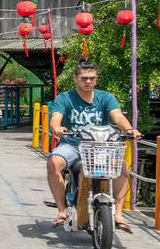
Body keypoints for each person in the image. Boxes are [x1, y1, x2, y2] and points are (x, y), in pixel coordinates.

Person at [47, 59, 141, 230]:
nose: (88, 81)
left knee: (122, 167)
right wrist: (57, 128)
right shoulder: (64, 98)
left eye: (92, 78)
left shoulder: (106, 97)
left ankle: (119, 215)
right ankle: (62, 210)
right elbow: (55, 118)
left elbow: (117, 116)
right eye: (84, 78)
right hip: (72, 144)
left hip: (100, 146)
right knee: (54, 162)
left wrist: (129, 129)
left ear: (96, 79)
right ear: (75, 78)